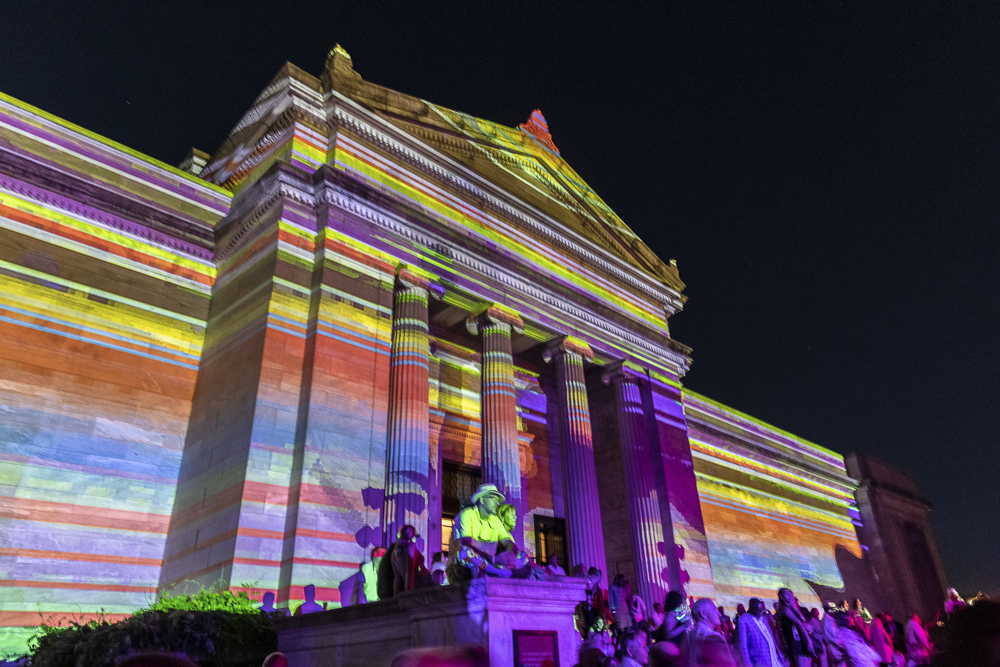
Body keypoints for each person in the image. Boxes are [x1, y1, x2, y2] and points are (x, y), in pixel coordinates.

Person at [447, 483, 517, 583]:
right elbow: (466, 544)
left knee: (522, 560)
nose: (497, 503)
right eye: (493, 499)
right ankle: (498, 572)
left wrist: (513, 555)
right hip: (462, 565)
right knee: (469, 554)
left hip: (489, 562)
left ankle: (501, 573)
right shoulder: (466, 515)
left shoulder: (495, 520)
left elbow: (509, 542)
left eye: (498, 500)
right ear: (483, 500)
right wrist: (493, 557)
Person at [688, 598, 736, 666]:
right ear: (703, 614)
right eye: (715, 610)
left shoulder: (689, 635)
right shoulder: (714, 637)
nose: (719, 614)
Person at [739, 597, 783, 667]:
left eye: (761, 610)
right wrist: (747, 664)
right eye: (758, 610)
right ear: (752, 609)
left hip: (775, 660)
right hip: (760, 662)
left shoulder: (763, 618)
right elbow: (743, 645)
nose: (760, 613)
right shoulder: (743, 620)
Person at [777, 588, 815, 667]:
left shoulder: (792, 608)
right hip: (796, 642)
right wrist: (809, 642)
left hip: (801, 639)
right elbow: (799, 624)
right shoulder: (785, 609)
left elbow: (803, 621)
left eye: (791, 594)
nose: (791, 596)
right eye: (788, 594)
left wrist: (795, 608)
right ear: (781, 597)